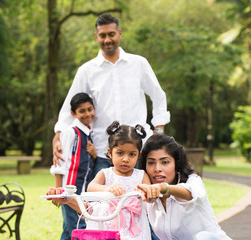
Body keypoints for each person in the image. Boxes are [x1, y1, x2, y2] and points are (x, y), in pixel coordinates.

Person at [52, 13, 170, 176]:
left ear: (119, 34)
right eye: (102, 35)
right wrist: (58, 135)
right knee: (103, 200)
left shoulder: (139, 63)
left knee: (140, 200)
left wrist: (159, 129)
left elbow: (158, 96)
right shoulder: (86, 70)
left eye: (111, 34)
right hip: (102, 152)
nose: (107, 39)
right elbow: (70, 107)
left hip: (138, 151)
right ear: (96, 37)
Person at [137, 134, 232, 240]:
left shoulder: (193, 181)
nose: (157, 168)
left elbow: (190, 194)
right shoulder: (147, 193)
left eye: (165, 162)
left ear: (177, 164)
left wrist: (163, 188)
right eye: (151, 162)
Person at [85, 121, 152, 239]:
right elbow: (91, 188)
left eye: (132, 154)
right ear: (110, 153)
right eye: (120, 153)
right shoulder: (106, 174)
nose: (125, 159)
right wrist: (107, 188)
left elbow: (149, 194)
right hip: (110, 223)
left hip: (135, 224)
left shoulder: (141, 175)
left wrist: (144, 192)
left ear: (139, 155)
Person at [49, 92, 97, 240]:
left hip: (82, 192)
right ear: (73, 114)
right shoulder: (70, 132)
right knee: (77, 227)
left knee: (69, 229)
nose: (87, 114)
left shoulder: (88, 133)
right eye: (82, 111)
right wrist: (59, 191)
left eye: (90, 109)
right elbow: (60, 162)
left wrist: (94, 155)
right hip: (69, 192)